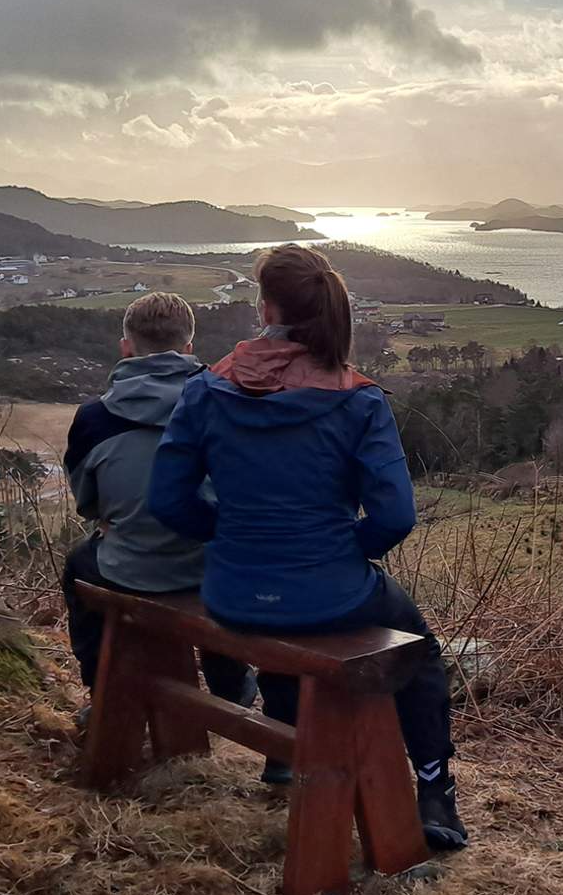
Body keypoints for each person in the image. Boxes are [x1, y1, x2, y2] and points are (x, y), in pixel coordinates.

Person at [149, 244, 468, 852]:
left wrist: (236, 535)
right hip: (330, 588)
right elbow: (396, 516)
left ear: (264, 306)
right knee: (421, 656)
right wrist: (345, 545)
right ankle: (434, 790)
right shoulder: (357, 398)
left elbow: (168, 502)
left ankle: (284, 746)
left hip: (233, 591)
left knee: (287, 619)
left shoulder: (206, 389)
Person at [59, 292, 286, 779]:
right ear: (190, 344)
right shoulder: (230, 402)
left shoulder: (94, 419)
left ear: (126, 347)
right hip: (221, 569)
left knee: (80, 564)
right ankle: (231, 682)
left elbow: (89, 506)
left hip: (132, 569)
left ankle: (102, 693)